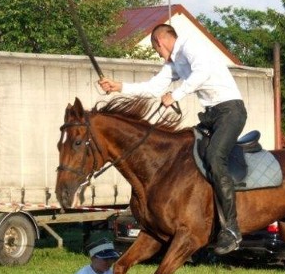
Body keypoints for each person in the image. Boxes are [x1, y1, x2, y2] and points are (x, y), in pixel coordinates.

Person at [98, 24, 247, 255]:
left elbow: (202, 74)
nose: (159, 55)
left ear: (159, 42)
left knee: (215, 158)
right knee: (187, 157)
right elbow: (153, 88)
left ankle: (231, 229)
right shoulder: (175, 61)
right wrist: (119, 87)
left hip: (231, 112)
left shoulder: (190, 46)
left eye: (157, 50)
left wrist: (175, 95)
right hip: (211, 116)